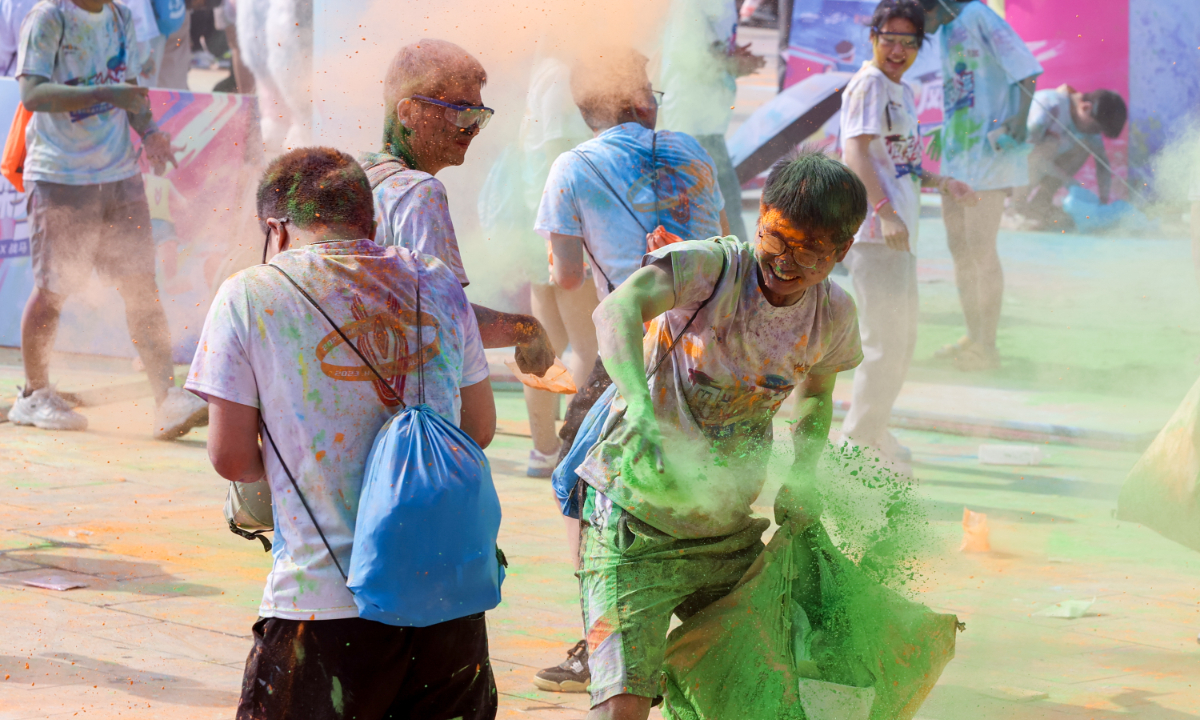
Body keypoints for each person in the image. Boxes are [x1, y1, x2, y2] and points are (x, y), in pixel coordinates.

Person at [188, 147, 498, 720]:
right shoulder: (436, 282)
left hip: (321, 608)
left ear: (275, 227)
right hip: (447, 606)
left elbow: (231, 457)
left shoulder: (250, 294)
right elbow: (478, 429)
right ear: (370, 218)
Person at [574, 149, 865, 718]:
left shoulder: (833, 314)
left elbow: (818, 395)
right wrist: (637, 402)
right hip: (633, 518)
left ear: (843, 250)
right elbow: (616, 312)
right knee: (622, 704)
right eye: (777, 239)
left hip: (726, 532)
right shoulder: (710, 269)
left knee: (755, 692)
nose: (786, 262)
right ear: (761, 218)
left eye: (811, 252)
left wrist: (803, 476)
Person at [530, 46, 729, 694]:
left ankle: (601, 642)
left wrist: (584, 351)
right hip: (714, 346)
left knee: (575, 483)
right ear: (640, 99)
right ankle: (715, 642)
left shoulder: (572, 166)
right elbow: (728, 240)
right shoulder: (693, 153)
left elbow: (562, 274)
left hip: (640, 347)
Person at [7, 0, 205, 439]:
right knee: (52, 288)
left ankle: (165, 399)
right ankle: (34, 395)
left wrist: (150, 132)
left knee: (142, 287)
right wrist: (103, 93)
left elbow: (129, 86)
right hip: (60, 175)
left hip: (119, 173)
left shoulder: (118, 17)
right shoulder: (48, 17)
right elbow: (32, 94)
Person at [361, 39, 555, 378]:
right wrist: (526, 329)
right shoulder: (421, 192)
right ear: (407, 112)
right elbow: (441, 314)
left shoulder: (356, 177)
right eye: (460, 111)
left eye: (479, 114)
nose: (473, 127)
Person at [838, 0, 974, 470]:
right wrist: (884, 211)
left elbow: (902, 164)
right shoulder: (869, 85)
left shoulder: (900, 89)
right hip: (878, 236)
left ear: (920, 45)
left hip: (900, 235)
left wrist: (942, 183)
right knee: (883, 343)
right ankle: (858, 442)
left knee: (900, 341)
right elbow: (854, 155)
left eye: (908, 41)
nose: (897, 49)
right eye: (889, 38)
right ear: (872, 37)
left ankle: (874, 429)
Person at [921, 0, 1042, 371]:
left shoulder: (978, 15)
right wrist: (947, 128)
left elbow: (1026, 70)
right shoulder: (944, 29)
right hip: (958, 154)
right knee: (957, 246)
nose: (913, 27)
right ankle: (973, 336)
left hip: (989, 155)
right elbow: (968, 88)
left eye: (915, 14)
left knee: (980, 249)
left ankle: (987, 347)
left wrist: (1019, 119)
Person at [658, 0, 764, 243]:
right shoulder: (692, 4)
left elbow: (708, 45)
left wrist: (733, 57)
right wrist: (731, 62)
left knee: (718, 204)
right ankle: (741, 272)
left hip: (709, 120)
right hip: (692, 120)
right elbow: (687, 53)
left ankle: (734, 269)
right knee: (723, 203)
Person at [1012, 84, 1127, 231]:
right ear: (1086, 107)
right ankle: (1015, 209)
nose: (1095, 132)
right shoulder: (1050, 107)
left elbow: (1102, 164)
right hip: (1012, 164)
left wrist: (1102, 204)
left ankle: (1039, 205)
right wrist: (1069, 182)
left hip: (1041, 164)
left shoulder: (1088, 125)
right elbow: (1026, 154)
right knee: (1050, 144)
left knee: (1085, 145)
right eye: (1095, 128)